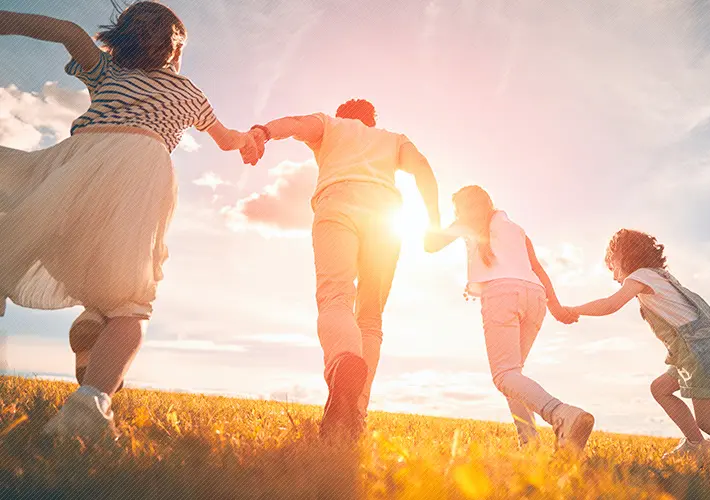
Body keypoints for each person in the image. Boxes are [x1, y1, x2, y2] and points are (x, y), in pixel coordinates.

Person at [0, 2, 259, 441]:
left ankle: (93, 315)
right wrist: (250, 142)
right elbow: (228, 139)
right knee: (130, 303)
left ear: (120, 40)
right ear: (175, 53)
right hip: (142, 169)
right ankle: (89, 401)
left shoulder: (108, 73)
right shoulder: (191, 93)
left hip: (78, 163)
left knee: (16, 241)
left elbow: (65, 30)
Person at [245, 99, 441, 440]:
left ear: (342, 115)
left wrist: (263, 132)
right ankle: (357, 413)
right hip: (385, 215)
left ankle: (342, 363)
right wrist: (434, 224)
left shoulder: (330, 125)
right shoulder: (393, 139)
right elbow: (422, 167)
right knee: (370, 318)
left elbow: (294, 123)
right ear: (372, 120)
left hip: (338, 202)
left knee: (335, 297)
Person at [565, 229, 710, 467]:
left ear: (625, 256)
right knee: (661, 388)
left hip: (700, 351)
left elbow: (610, 304)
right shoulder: (662, 277)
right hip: (700, 350)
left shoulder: (641, 277)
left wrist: (573, 310)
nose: (614, 277)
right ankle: (696, 444)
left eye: (613, 266)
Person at [423, 186, 594, 452]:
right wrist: (556, 307)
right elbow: (538, 269)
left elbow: (429, 244)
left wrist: (434, 214)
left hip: (502, 295)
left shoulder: (465, 222)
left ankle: (562, 414)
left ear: (464, 207)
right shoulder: (517, 229)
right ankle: (529, 443)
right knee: (514, 377)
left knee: (504, 375)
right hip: (536, 297)